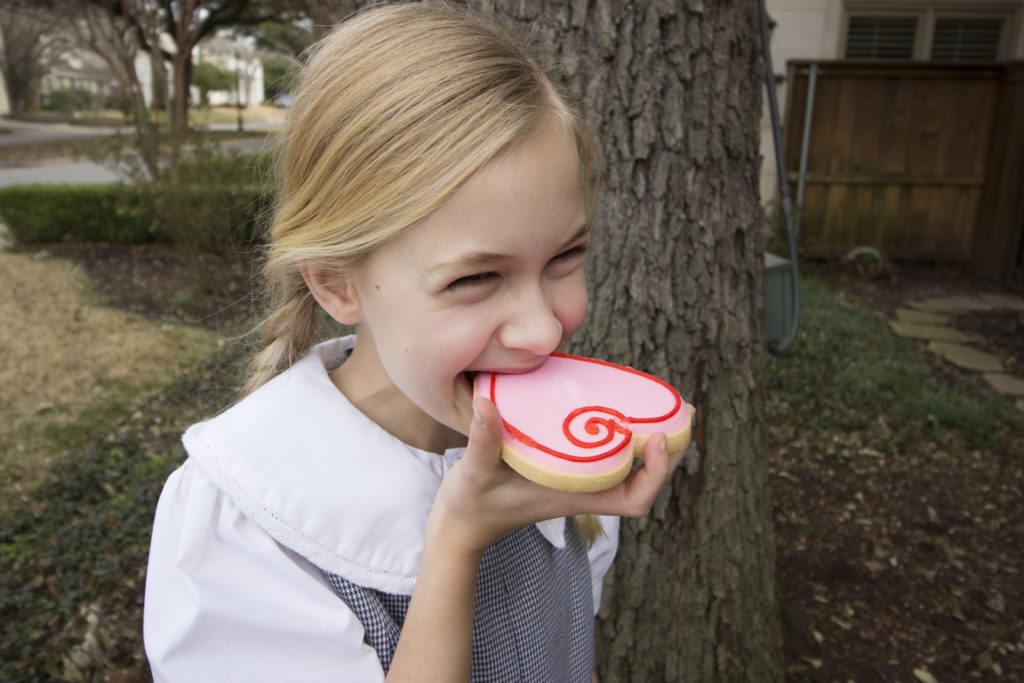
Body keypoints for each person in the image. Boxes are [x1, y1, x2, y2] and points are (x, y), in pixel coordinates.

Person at [143, 4, 686, 681]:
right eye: (477, 277)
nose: (544, 328)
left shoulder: (557, 447)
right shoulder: (246, 532)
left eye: (565, 256)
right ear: (338, 284)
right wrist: (457, 540)